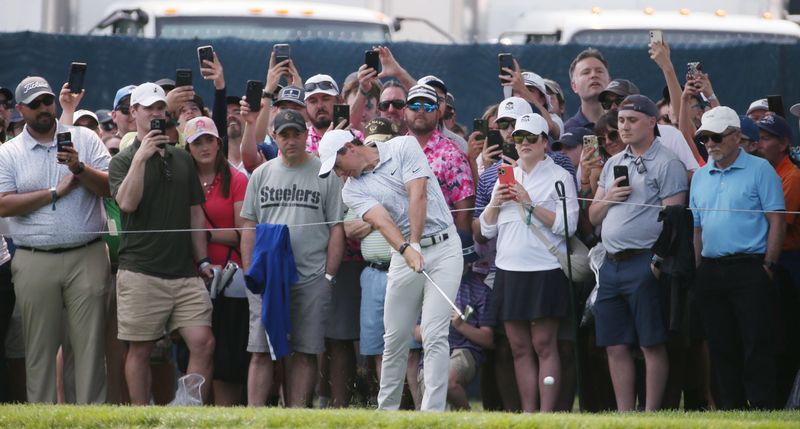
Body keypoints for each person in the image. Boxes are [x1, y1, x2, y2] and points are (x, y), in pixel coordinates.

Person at [318, 127, 463, 412]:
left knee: (434, 333)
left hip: (445, 247)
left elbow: (417, 193)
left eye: (337, 165)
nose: (337, 174)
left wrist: (416, 244)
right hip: (403, 253)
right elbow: (382, 221)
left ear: (350, 148)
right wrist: (406, 249)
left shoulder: (403, 147)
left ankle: (432, 415)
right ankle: (387, 413)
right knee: (395, 337)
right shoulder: (351, 191)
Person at [0, 76, 112, 404]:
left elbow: (110, 187)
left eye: (47, 101)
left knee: (89, 347)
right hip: (34, 257)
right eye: (34, 104)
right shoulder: (9, 152)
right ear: (20, 110)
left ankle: (90, 421)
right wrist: (53, 192)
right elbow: (3, 203)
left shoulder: (85, 138)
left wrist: (78, 168)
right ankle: (43, 419)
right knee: (39, 349)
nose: (44, 109)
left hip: (87, 253)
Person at [108, 82, 216, 405]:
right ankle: (141, 416)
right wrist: (141, 157)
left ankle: (187, 412)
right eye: (149, 109)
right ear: (134, 113)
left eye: (160, 109)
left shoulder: (182, 159)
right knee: (140, 349)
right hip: (140, 271)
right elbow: (127, 203)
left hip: (183, 272)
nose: (156, 114)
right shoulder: (122, 161)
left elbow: (196, 214)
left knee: (203, 342)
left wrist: (203, 261)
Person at [588, 95, 688, 411]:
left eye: (632, 120)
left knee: (651, 343)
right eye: (621, 121)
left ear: (651, 122)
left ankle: (650, 413)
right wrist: (610, 199)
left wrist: (656, 264)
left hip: (645, 262)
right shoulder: (612, 163)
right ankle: (625, 414)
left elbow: (675, 223)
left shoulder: (668, 162)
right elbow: (592, 216)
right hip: (611, 265)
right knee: (614, 344)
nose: (625, 126)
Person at [239, 109, 344, 407]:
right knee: (260, 350)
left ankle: (297, 415)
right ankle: (254, 418)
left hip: (311, 276)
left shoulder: (324, 172)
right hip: (267, 278)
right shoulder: (261, 174)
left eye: (296, 133)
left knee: (305, 350)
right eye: (284, 134)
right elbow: (247, 225)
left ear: (305, 135)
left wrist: (328, 276)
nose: (291, 139)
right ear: (274, 137)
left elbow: (337, 228)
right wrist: (250, 273)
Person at [479, 113, 578, 412]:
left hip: (545, 271)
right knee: (518, 347)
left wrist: (528, 203)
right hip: (509, 271)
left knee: (545, 345)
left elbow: (569, 225)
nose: (523, 144)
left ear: (544, 142)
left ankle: (546, 415)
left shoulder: (559, 177)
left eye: (530, 138)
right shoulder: (504, 175)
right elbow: (485, 230)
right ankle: (528, 414)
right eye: (518, 138)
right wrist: (496, 202)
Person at [690, 106, 785, 410]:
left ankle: (761, 406)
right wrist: (699, 269)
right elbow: (698, 229)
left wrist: (768, 265)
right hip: (712, 270)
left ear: (735, 136)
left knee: (756, 342)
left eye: (716, 137)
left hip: (750, 267)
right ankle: (730, 408)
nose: (710, 144)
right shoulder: (700, 177)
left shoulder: (760, 169)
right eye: (705, 138)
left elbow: (777, 221)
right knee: (720, 344)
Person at [184, 116, 249, 406]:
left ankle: (227, 417)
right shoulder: (181, 179)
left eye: (209, 139)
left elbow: (242, 233)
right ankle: (196, 416)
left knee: (228, 357)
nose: (205, 146)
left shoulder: (236, 179)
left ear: (219, 143)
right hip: (191, 280)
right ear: (188, 147)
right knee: (194, 350)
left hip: (231, 280)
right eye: (197, 141)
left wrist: (203, 235)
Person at [414, 229, 494, 411]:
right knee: (429, 395)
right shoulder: (431, 287)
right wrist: (436, 322)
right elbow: (417, 334)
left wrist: (461, 325)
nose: (460, 266)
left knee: (447, 382)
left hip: (464, 351)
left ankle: (467, 418)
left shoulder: (481, 291)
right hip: (433, 347)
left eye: (464, 262)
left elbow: (488, 340)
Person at [404, 84, 475, 233]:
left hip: (442, 247)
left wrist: (457, 246)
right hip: (401, 245)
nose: (421, 110)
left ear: (438, 113)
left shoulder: (452, 154)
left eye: (429, 106)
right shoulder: (394, 150)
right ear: (405, 111)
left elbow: (465, 210)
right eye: (415, 105)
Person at [564, 48, 611, 130]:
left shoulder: (623, 127)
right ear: (574, 86)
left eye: (599, 71)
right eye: (586, 72)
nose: (593, 75)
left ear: (610, 81)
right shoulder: (567, 132)